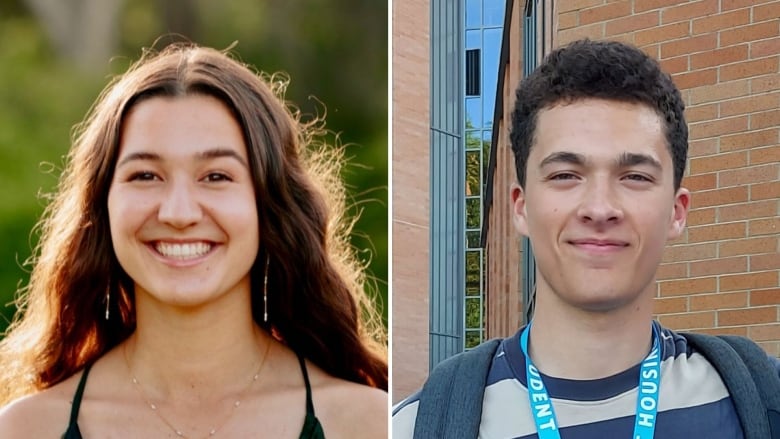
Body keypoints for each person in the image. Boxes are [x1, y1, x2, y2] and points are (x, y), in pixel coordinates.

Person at [393, 39, 780, 438]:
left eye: (635, 177)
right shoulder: (414, 427)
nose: (599, 208)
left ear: (676, 212)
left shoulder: (760, 402)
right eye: (565, 175)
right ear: (521, 207)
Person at [0, 43, 388, 438]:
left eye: (216, 176)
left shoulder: (368, 423)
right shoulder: (27, 429)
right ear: (102, 206)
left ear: (268, 205)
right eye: (146, 175)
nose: (179, 213)